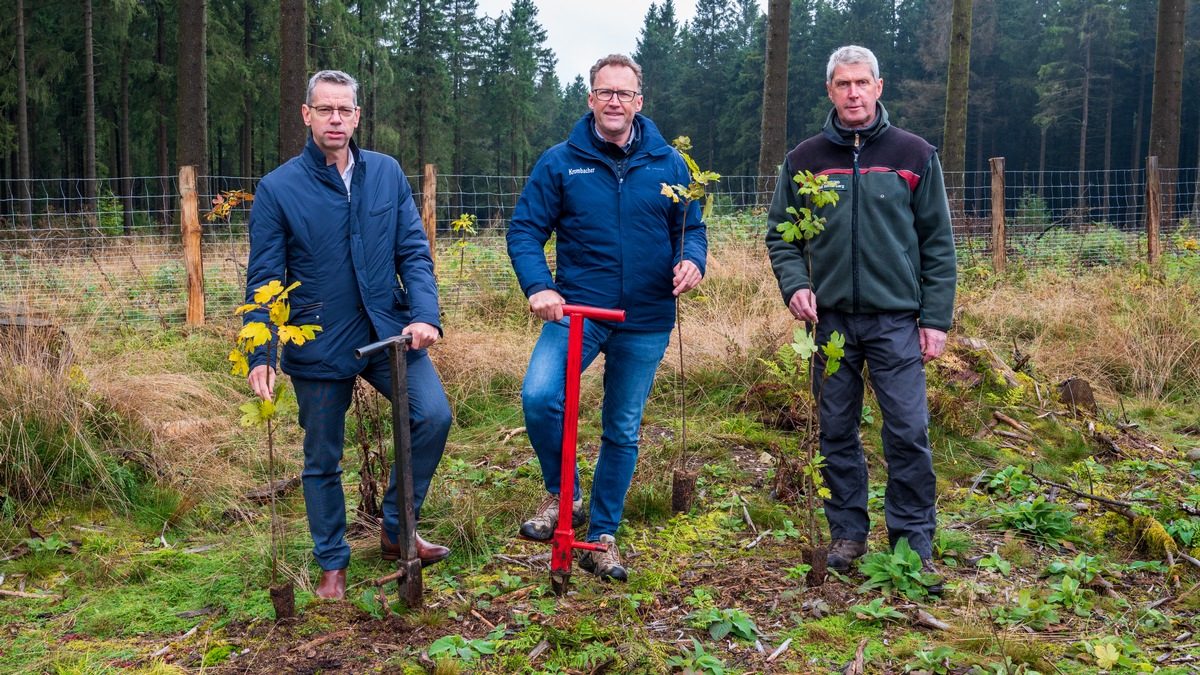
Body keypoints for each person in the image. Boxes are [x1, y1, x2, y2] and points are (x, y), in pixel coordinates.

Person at [243, 70, 453, 600]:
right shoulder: (278, 188)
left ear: (357, 116)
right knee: (322, 457)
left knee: (432, 415)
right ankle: (332, 562)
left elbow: (413, 251)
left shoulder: (385, 173)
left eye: (345, 110)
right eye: (325, 109)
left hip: (387, 332)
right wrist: (261, 353)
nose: (335, 119)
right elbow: (265, 280)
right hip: (317, 340)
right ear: (307, 115)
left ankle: (396, 527)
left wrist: (424, 314)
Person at [506, 54, 707, 582]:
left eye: (624, 93)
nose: (614, 101)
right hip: (578, 310)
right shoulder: (560, 162)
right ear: (591, 99)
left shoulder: (669, 163)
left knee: (621, 426)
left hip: (646, 316)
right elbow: (525, 230)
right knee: (541, 395)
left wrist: (693, 259)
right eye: (604, 92)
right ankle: (564, 494)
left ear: (639, 102)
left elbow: (692, 228)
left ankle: (602, 535)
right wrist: (539, 286)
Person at [764, 46, 957, 587]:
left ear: (879, 86)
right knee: (834, 431)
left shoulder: (913, 154)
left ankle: (913, 541)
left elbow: (938, 244)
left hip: (896, 320)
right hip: (829, 326)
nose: (853, 92)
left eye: (862, 82)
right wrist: (796, 284)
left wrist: (935, 319)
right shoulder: (805, 160)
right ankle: (847, 533)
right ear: (830, 90)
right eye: (842, 83)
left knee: (907, 431)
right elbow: (781, 235)